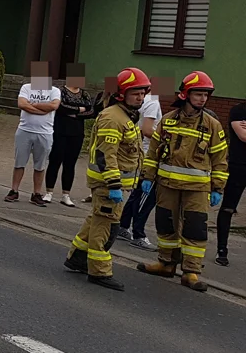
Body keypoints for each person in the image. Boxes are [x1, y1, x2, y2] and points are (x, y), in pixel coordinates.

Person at [138, 71, 230, 292]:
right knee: (165, 224)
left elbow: (220, 159)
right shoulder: (168, 120)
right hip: (167, 185)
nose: (202, 99)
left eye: (205, 95)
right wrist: (147, 177)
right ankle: (166, 263)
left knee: (195, 229)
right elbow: (153, 153)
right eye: (198, 94)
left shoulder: (212, 125)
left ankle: (191, 271)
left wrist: (218, 187)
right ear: (185, 95)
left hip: (197, 189)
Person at [64, 67, 150, 291]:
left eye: (142, 93)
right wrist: (113, 185)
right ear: (122, 94)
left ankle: (77, 259)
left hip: (115, 184)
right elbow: (106, 155)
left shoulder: (125, 116)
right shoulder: (113, 118)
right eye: (135, 93)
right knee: (106, 229)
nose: (140, 97)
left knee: (96, 221)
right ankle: (99, 271)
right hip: (109, 184)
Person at [6, 67, 61, 206]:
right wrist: (42, 109)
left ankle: (36, 193)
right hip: (24, 130)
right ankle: (14, 190)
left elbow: (54, 105)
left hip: (45, 133)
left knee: (40, 165)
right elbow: (21, 104)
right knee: (19, 163)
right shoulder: (26, 87)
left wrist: (34, 105)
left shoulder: (54, 90)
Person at [45, 73, 101, 207]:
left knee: (70, 164)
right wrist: (79, 110)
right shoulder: (61, 91)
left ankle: (66, 194)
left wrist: (74, 113)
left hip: (76, 133)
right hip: (60, 131)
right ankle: (49, 192)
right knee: (55, 160)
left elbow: (91, 111)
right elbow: (61, 108)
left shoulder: (85, 94)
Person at [117, 90, 163, 249]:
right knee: (146, 197)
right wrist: (168, 138)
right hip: (148, 155)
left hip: (140, 153)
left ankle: (123, 227)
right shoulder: (153, 102)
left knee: (137, 194)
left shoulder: (145, 100)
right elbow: (147, 130)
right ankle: (139, 234)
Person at [215, 100, 246, 266]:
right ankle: (222, 250)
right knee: (228, 208)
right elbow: (243, 136)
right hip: (238, 167)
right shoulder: (238, 110)